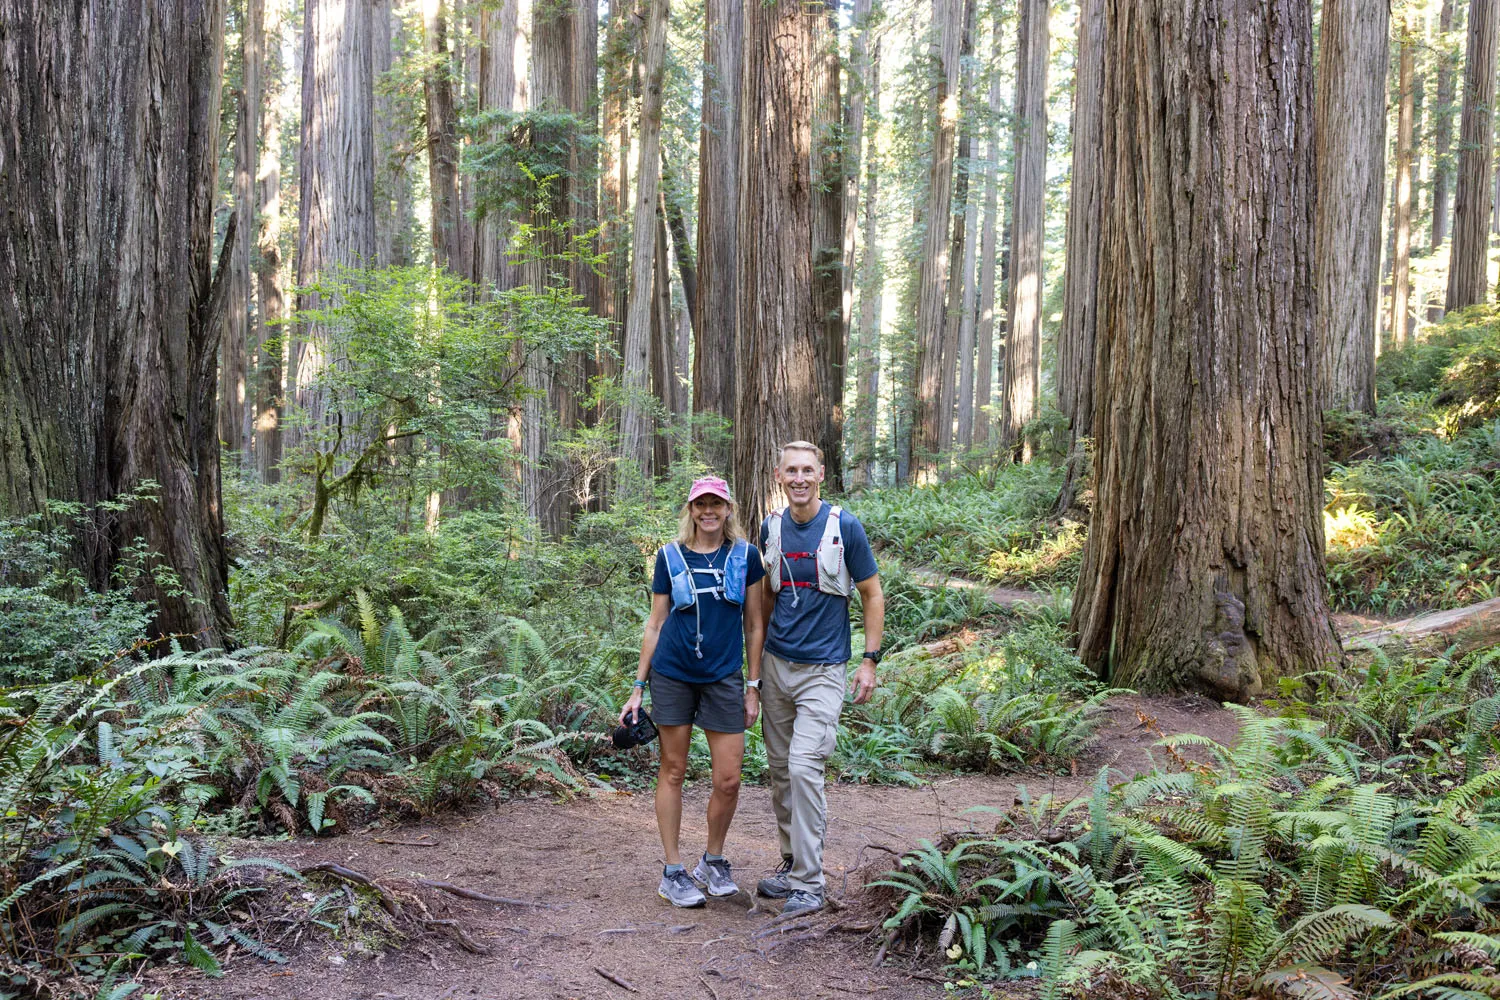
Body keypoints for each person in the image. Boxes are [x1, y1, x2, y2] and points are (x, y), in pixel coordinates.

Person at [621, 476, 766, 908]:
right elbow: (656, 623)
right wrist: (637, 687)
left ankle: (713, 860)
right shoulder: (669, 556)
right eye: (700, 504)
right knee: (673, 770)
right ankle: (672, 870)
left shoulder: (746, 557)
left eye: (715, 504)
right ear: (690, 509)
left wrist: (753, 686)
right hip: (673, 674)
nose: (708, 511)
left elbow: (755, 624)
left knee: (728, 778)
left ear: (728, 509)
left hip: (724, 677)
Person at [754, 441, 884, 916]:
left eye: (808, 470)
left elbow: (871, 593)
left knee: (805, 768)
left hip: (824, 670)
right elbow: (764, 603)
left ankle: (810, 883)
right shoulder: (770, 528)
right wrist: (755, 672)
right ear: (778, 475)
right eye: (792, 470)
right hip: (777, 666)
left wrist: (869, 660)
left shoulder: (843, 526)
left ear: (821, 474)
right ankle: (791, 863)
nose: (800, 478)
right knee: (780, 771)